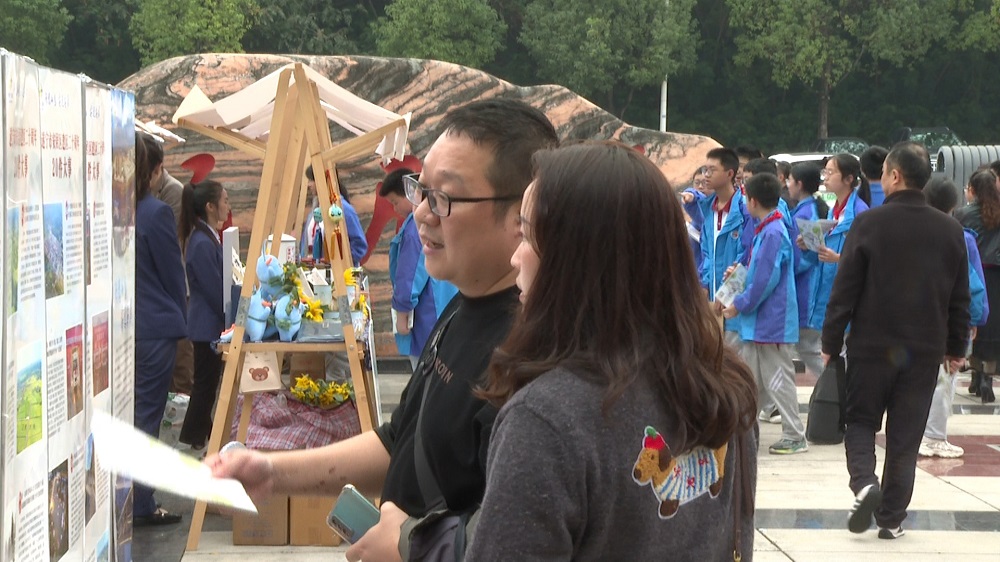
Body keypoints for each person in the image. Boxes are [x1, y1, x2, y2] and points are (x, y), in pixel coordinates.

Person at [208, 98, 559, 562]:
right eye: (421, 190)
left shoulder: (532, 363)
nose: (422, 213)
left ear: (522, 214)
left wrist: (410, 545)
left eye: (444, 198)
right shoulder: (462, 306)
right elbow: (399, 440)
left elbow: (513, 542)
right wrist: (270, 472)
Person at [469, 141, 758, 560]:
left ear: (575, 258)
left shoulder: (547, 420)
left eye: (529, 235)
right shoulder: (727, 383)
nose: (516, 257)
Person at [822, 142, 970, 539]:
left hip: (871, 346)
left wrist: (831, 342)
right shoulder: (950, 229)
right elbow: (960, 298)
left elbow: (844, 290)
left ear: (895, 176)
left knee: (861, 421)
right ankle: (890, 519)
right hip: (923, 351)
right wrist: (956, 348)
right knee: (905, 437)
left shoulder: (869, 224)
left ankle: (864, 483)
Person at [723, 173, 806, 455]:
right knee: (752, 381)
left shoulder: (773, 232)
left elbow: (765, 280)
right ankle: (743, 433)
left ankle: (794, 435)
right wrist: (739, 277)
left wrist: (740, 303)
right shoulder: (767, 229)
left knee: (778, 379)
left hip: (772, 322)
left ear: (753, 201)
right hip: (759, 322)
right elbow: (758, 273)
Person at [133, 132, 188, 525]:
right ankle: (141, 502)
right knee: (147, 415)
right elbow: (173, 275)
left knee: (133, 413)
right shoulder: (155, 213)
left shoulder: (115, 210)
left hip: (126, 328)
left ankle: (132, 498)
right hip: (155, 330)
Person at [919, 177, 988, 458]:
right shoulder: (961, 237)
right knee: (946, 376)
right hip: (952, 320)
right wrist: (975, 319)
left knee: (925, 377)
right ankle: (934, 436)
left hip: (920, 317)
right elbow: (973, 284)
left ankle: (920, 431)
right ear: (954, 204)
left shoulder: (916, 232)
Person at [379, 167, 458, 369]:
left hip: (427, 314)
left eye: (395, 202)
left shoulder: (414, 228)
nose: (395, 209)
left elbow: (410, 274)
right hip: (444, 309)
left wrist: (402, 313)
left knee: (425, 371)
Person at [177, 179, 231, 452]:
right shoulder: (201, 242)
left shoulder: (207, 237)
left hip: (209, 323)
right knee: (204, 386)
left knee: (207, 385)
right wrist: (230, 314)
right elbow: (213, 288)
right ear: (210, 206)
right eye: (224, 201)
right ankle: (193, 436)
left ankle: (199, 433)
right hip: (206, 325)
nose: (227, 206)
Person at [140, 134, 194, 396]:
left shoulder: (172, 192)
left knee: (179, 370)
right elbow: (169, 266)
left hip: (156, 314)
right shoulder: (151, 209)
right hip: (156, 319)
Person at [798, 153, 869, 351]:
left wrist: (838, 259)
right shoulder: (833, 211)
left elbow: (867, 259)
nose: (825, 177)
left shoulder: (860, 213)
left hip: (847, 297)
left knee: (840, 354)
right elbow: (822, 255)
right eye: (825, 172)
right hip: (828, 293)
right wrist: (809, 245)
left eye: (831, 172)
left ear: (848, 179)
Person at [697, 147, 753, 346]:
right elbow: (706, 254)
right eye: (705, 169)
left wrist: (727, 293)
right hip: (714, 306)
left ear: (730, 174)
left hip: (736, 307)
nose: (706, 175)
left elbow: (746, 256)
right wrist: (704, 285)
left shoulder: (745, 210)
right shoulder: (708, 209)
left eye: (712, 170)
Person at [955, 169, 1000, 403]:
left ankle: (975, 377)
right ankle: (987, 378)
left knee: (974, 321)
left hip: (973, 273)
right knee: (992, 326)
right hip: (996, 275)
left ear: (972, 190)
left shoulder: (962, 213)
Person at [301, 164, 368, 266]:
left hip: (338, 272)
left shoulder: (344, 210)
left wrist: (338, 262)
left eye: (312, 180)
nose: (309, 185)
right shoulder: (315, 210)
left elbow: (359, 245)